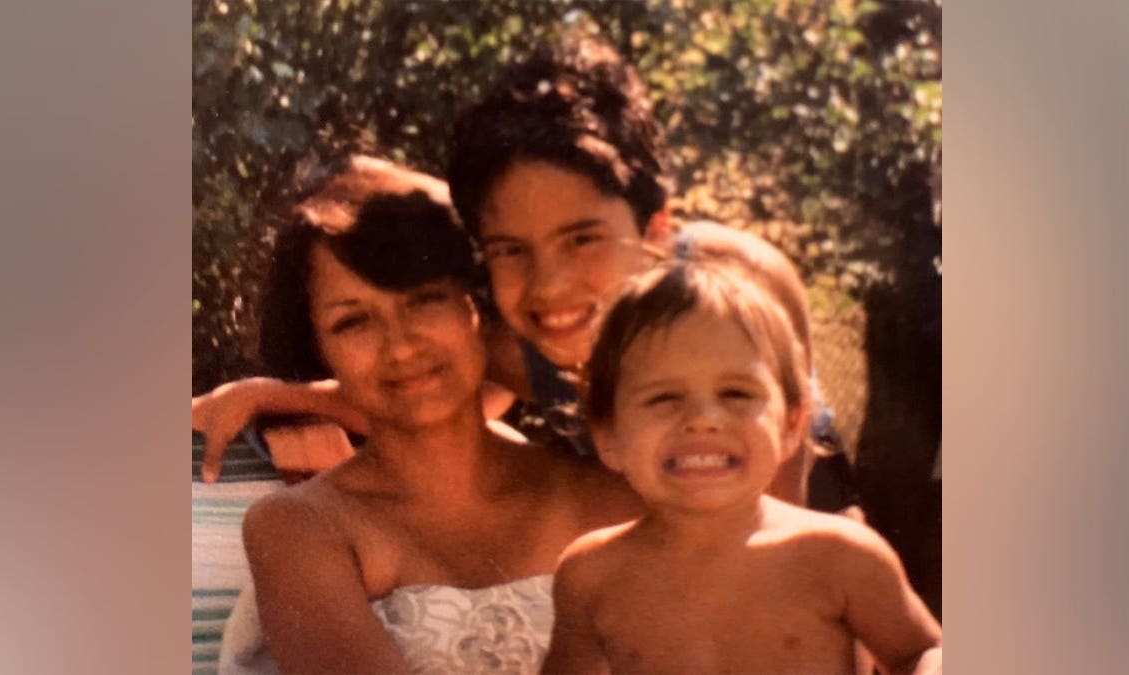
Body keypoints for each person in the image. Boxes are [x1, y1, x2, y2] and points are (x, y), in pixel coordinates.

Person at [194, 36, 860, 516]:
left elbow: (784, 531)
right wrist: (275, 396)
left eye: (582, 240)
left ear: (655, 227)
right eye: (511, 249)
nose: (550, 286)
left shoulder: (726, 283)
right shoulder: (521, 344)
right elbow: (436, 396)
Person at [235, 186, 642, 673]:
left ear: (479, 308)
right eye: (354, 322)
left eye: (425, 301)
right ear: (319, 349)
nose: (401, 347)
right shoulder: (300, 529)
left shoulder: (610, 496)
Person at [541, 261, 941, 674]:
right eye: (663, 398)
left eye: (735, 393)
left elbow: (922, 655)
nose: (703, 418)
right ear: (608, 435)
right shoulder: (592, 575)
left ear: (790, 426)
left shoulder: (839, 557)